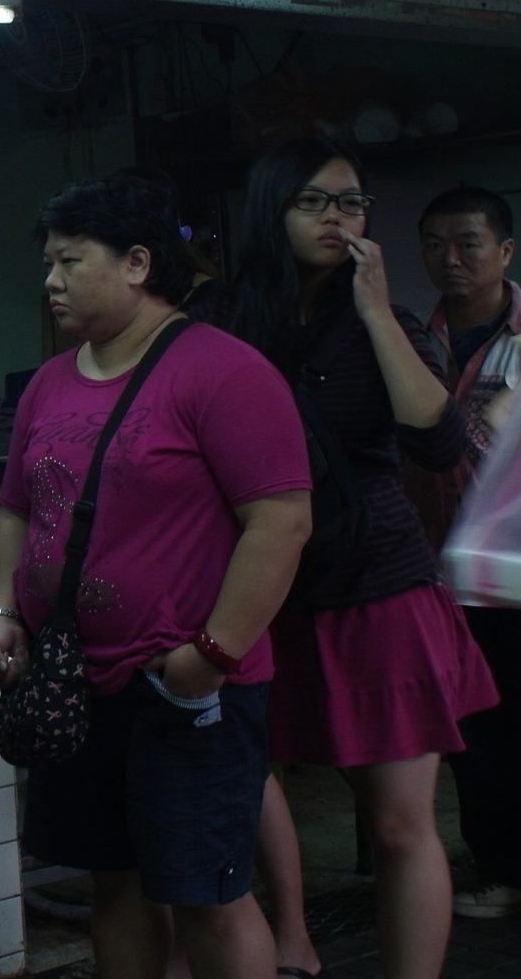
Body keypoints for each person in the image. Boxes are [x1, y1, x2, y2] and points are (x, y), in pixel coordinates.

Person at [0, 171, 311, 979]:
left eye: (70, 260)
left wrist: (209, 659)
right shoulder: (51, 383)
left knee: (208, 895)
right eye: (49, 262)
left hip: (184, 689)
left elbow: (282, 522)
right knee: (116, 884)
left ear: (136, 264)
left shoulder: (222, 371)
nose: (52, 280)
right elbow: (17, 510)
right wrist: (2, 611)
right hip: (74, 681)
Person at [193, 138, 498, 979]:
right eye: (315, 202)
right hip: (260, 594)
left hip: (378, 591)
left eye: (353, 203)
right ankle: (291, 938)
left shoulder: (386, 320)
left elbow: (439, 445)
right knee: (239, 781)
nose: (340, 218)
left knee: (401, 824)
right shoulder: (218, 320)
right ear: (270, 212)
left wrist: (372, 308)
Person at [412, 187, 521, 921]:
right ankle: (501, 870)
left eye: (469, 244)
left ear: (505, 251)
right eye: (436, 245)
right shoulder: (415, 339)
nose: (450, 260)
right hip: (440, 574)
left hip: (518, 573)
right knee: (474, 733)